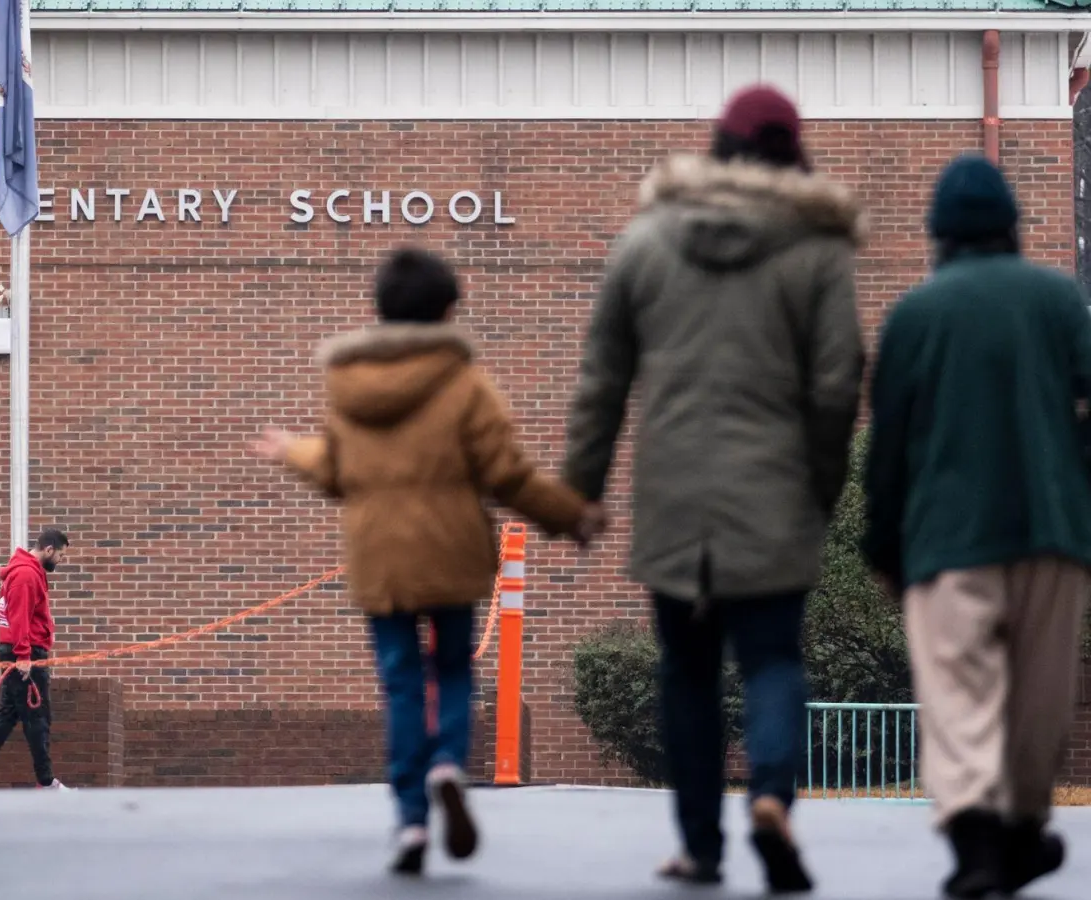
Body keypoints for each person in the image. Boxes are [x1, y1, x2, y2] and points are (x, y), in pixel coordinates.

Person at [562, 84, 865, 893]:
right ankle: (770, 794)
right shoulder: (817, 251)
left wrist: (580, 492)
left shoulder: (648, 242)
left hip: (676, 501)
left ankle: (700, 845)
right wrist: (823, 485)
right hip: (775, 495)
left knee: (686, 671)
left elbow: (602, 380)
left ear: (716, 151)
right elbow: (838, 386)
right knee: (771, 658)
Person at [254, 247, 597, 875]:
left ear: (378, 310)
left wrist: (290, 451)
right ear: (447, 310)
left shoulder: (348, 385)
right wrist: (568, 515)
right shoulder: (464, 383)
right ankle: (447, 764)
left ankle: (411, 820)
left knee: (401, 681)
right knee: (453, 670)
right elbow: (507, 474)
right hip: (451, 551)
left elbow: (335, 470)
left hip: (379, 557)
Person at [862, 154, 1091, 900]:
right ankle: (1022, 829)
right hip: (1052, 532)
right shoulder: (1059, 302)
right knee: (1039, 696)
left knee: (959, 692)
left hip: (947, 539)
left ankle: (975, 841)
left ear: (938, 235)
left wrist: (883, 541)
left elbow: (889, 444)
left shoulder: (916, 316)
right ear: (1012, 227)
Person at [0, 528, 72, 791]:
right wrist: (23, 656)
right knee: (38, 718)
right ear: (49, 550)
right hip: (25, 655)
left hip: (23, 653)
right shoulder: (26, 575)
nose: (61, 561)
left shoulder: (27, 571)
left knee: (8, 714)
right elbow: (18, 616)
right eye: (61, 556)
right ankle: (46, 783)